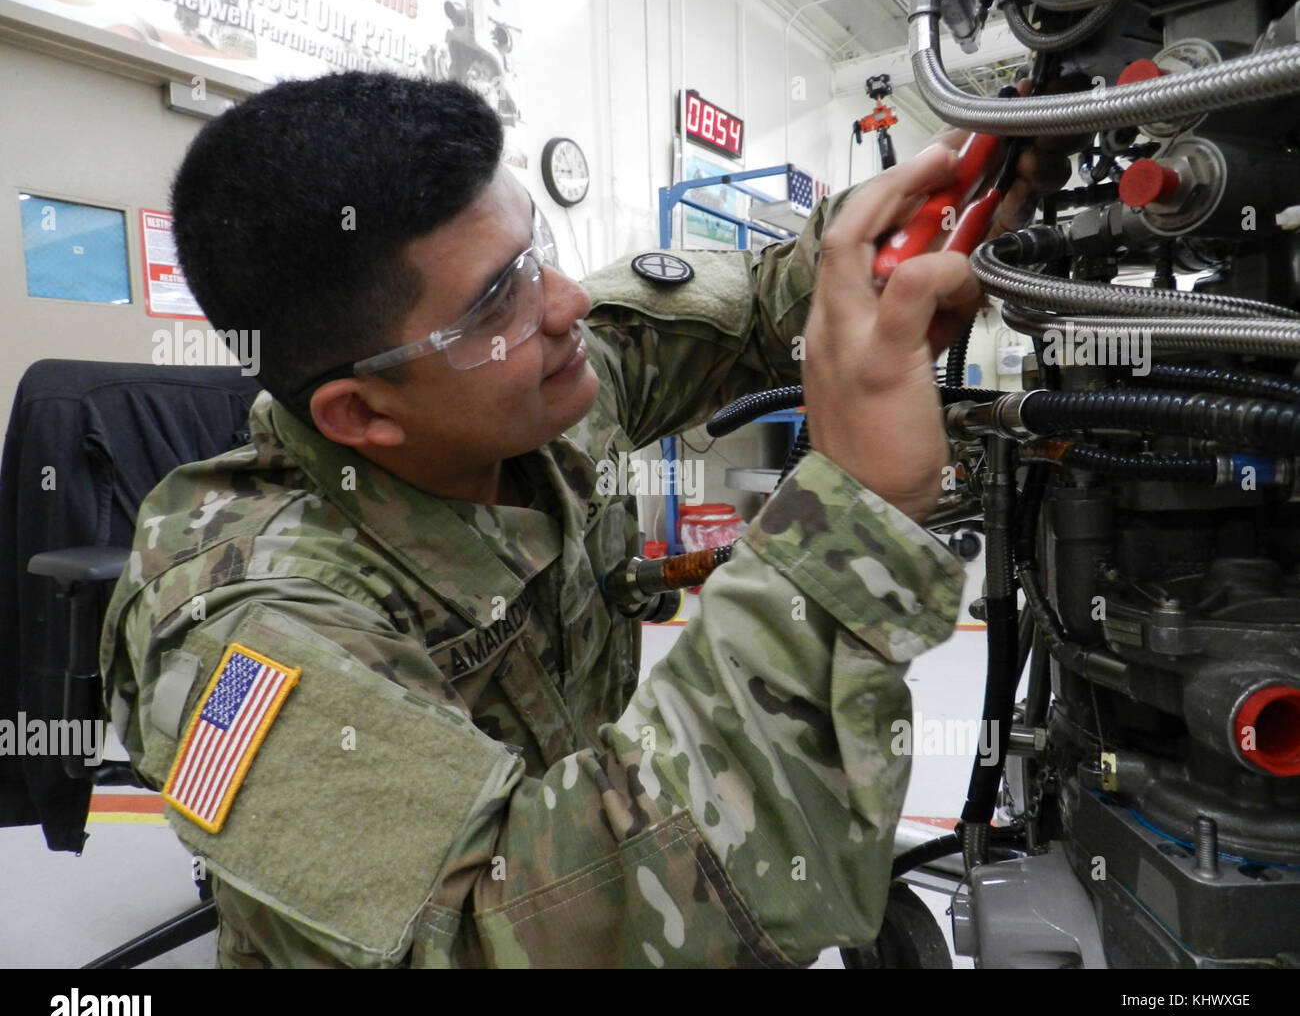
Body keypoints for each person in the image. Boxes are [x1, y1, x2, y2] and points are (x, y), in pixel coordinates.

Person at [100, 70, 1049, 967]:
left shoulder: (534, 393)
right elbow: (512, 933)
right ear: (362, 414)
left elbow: (762, 301)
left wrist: (925, 220)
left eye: (533, 251)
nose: (568, 302)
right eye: (495, 301)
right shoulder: (241, 634)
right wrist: (852, 521)